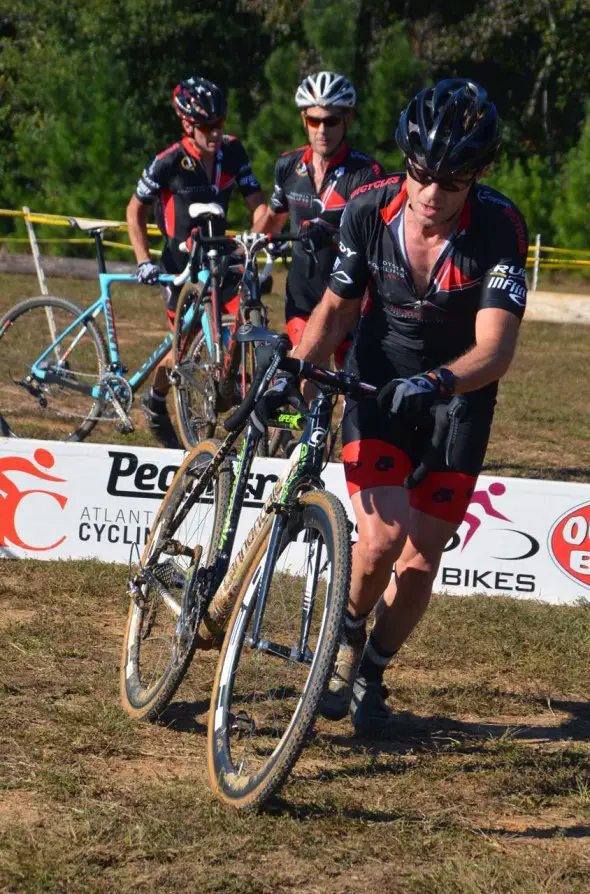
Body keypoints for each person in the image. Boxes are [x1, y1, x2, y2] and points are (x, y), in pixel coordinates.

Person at [267, 79, 529, 734]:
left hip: (456, 402)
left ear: (477, 177)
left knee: (417, 565)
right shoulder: (368, 209)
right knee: (381, 539)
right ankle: (346, 637)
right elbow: (336, 309)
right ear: (406, 164)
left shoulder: (500, 227)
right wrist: (297, 371)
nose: (432, 197)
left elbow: (495, 351)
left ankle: (373, 673)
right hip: (377, 382)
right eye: (421, 176)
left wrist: (439, 383)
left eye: (452, 182)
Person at [126, 76, 267, 448]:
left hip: (222, 258)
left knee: (238, 329)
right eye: (206, 126)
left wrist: (254, 238)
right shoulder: (168, 161)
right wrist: (143, 260)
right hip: (180, 265)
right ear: (187, 123)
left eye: (219, 124)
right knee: (183, 350)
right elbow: (133, 211)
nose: (215, 133)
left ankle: (237, 394)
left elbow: (260, 206)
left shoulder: (234, 153)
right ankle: (156, 400)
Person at [262, 71, 384, 367]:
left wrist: (331, 236)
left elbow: (377, 243)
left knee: (348, 388)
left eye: (330, 121)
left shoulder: (366, 174)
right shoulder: (288, 166)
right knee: (304, 376)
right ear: (304, 120)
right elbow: (273, 220)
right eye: (314, 120)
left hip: (349, 301)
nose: (321, 129)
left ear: (348, 120)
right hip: (301, 297)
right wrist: (250, 250)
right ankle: (295, 419)